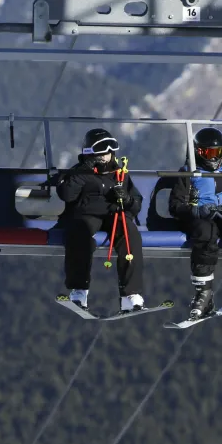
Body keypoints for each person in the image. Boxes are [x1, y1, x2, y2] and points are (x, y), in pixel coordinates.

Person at [167, 127, 222, 319]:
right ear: (198, 152)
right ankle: (204, 293)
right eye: (208, 153)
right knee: (205, 235)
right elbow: (175, 205)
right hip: (201, 216)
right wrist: (197, 210)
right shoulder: (189, 172)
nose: (213, 158)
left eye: (217, 152)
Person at [56, 128, 145, 312]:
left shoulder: (120, 174)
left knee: (130, 232)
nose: (107, 156)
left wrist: (126, 200)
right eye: (102, 152)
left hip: (114, 215)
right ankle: (79, 290)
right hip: (87, 215)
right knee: (80, 233)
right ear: (91, 153)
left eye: (109, 152)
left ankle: (130, 294)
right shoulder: (78, 172)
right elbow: (66, 194)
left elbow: (136, 203)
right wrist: (84, 172)